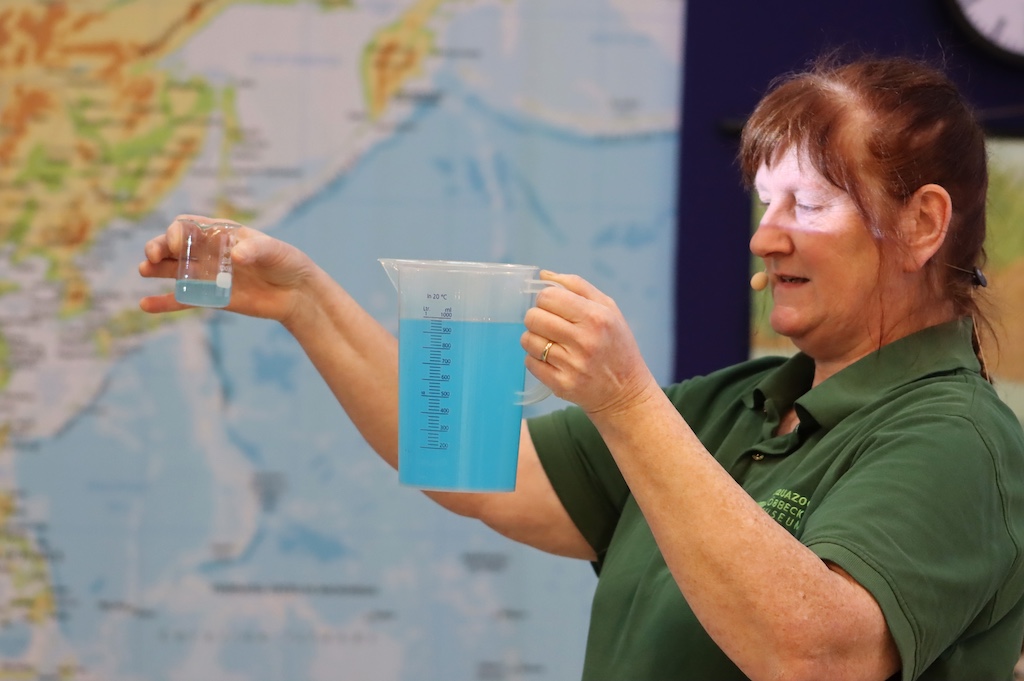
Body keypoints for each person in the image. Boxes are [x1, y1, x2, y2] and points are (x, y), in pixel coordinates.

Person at [139, 54, 1024, 680]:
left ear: (922, 223)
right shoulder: (736, 407)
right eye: (765, 202)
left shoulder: (957, 440)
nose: (766, 234)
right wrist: (303, 297)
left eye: (812, 202)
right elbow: (472, 463)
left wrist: (628, 401)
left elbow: (817, 656)